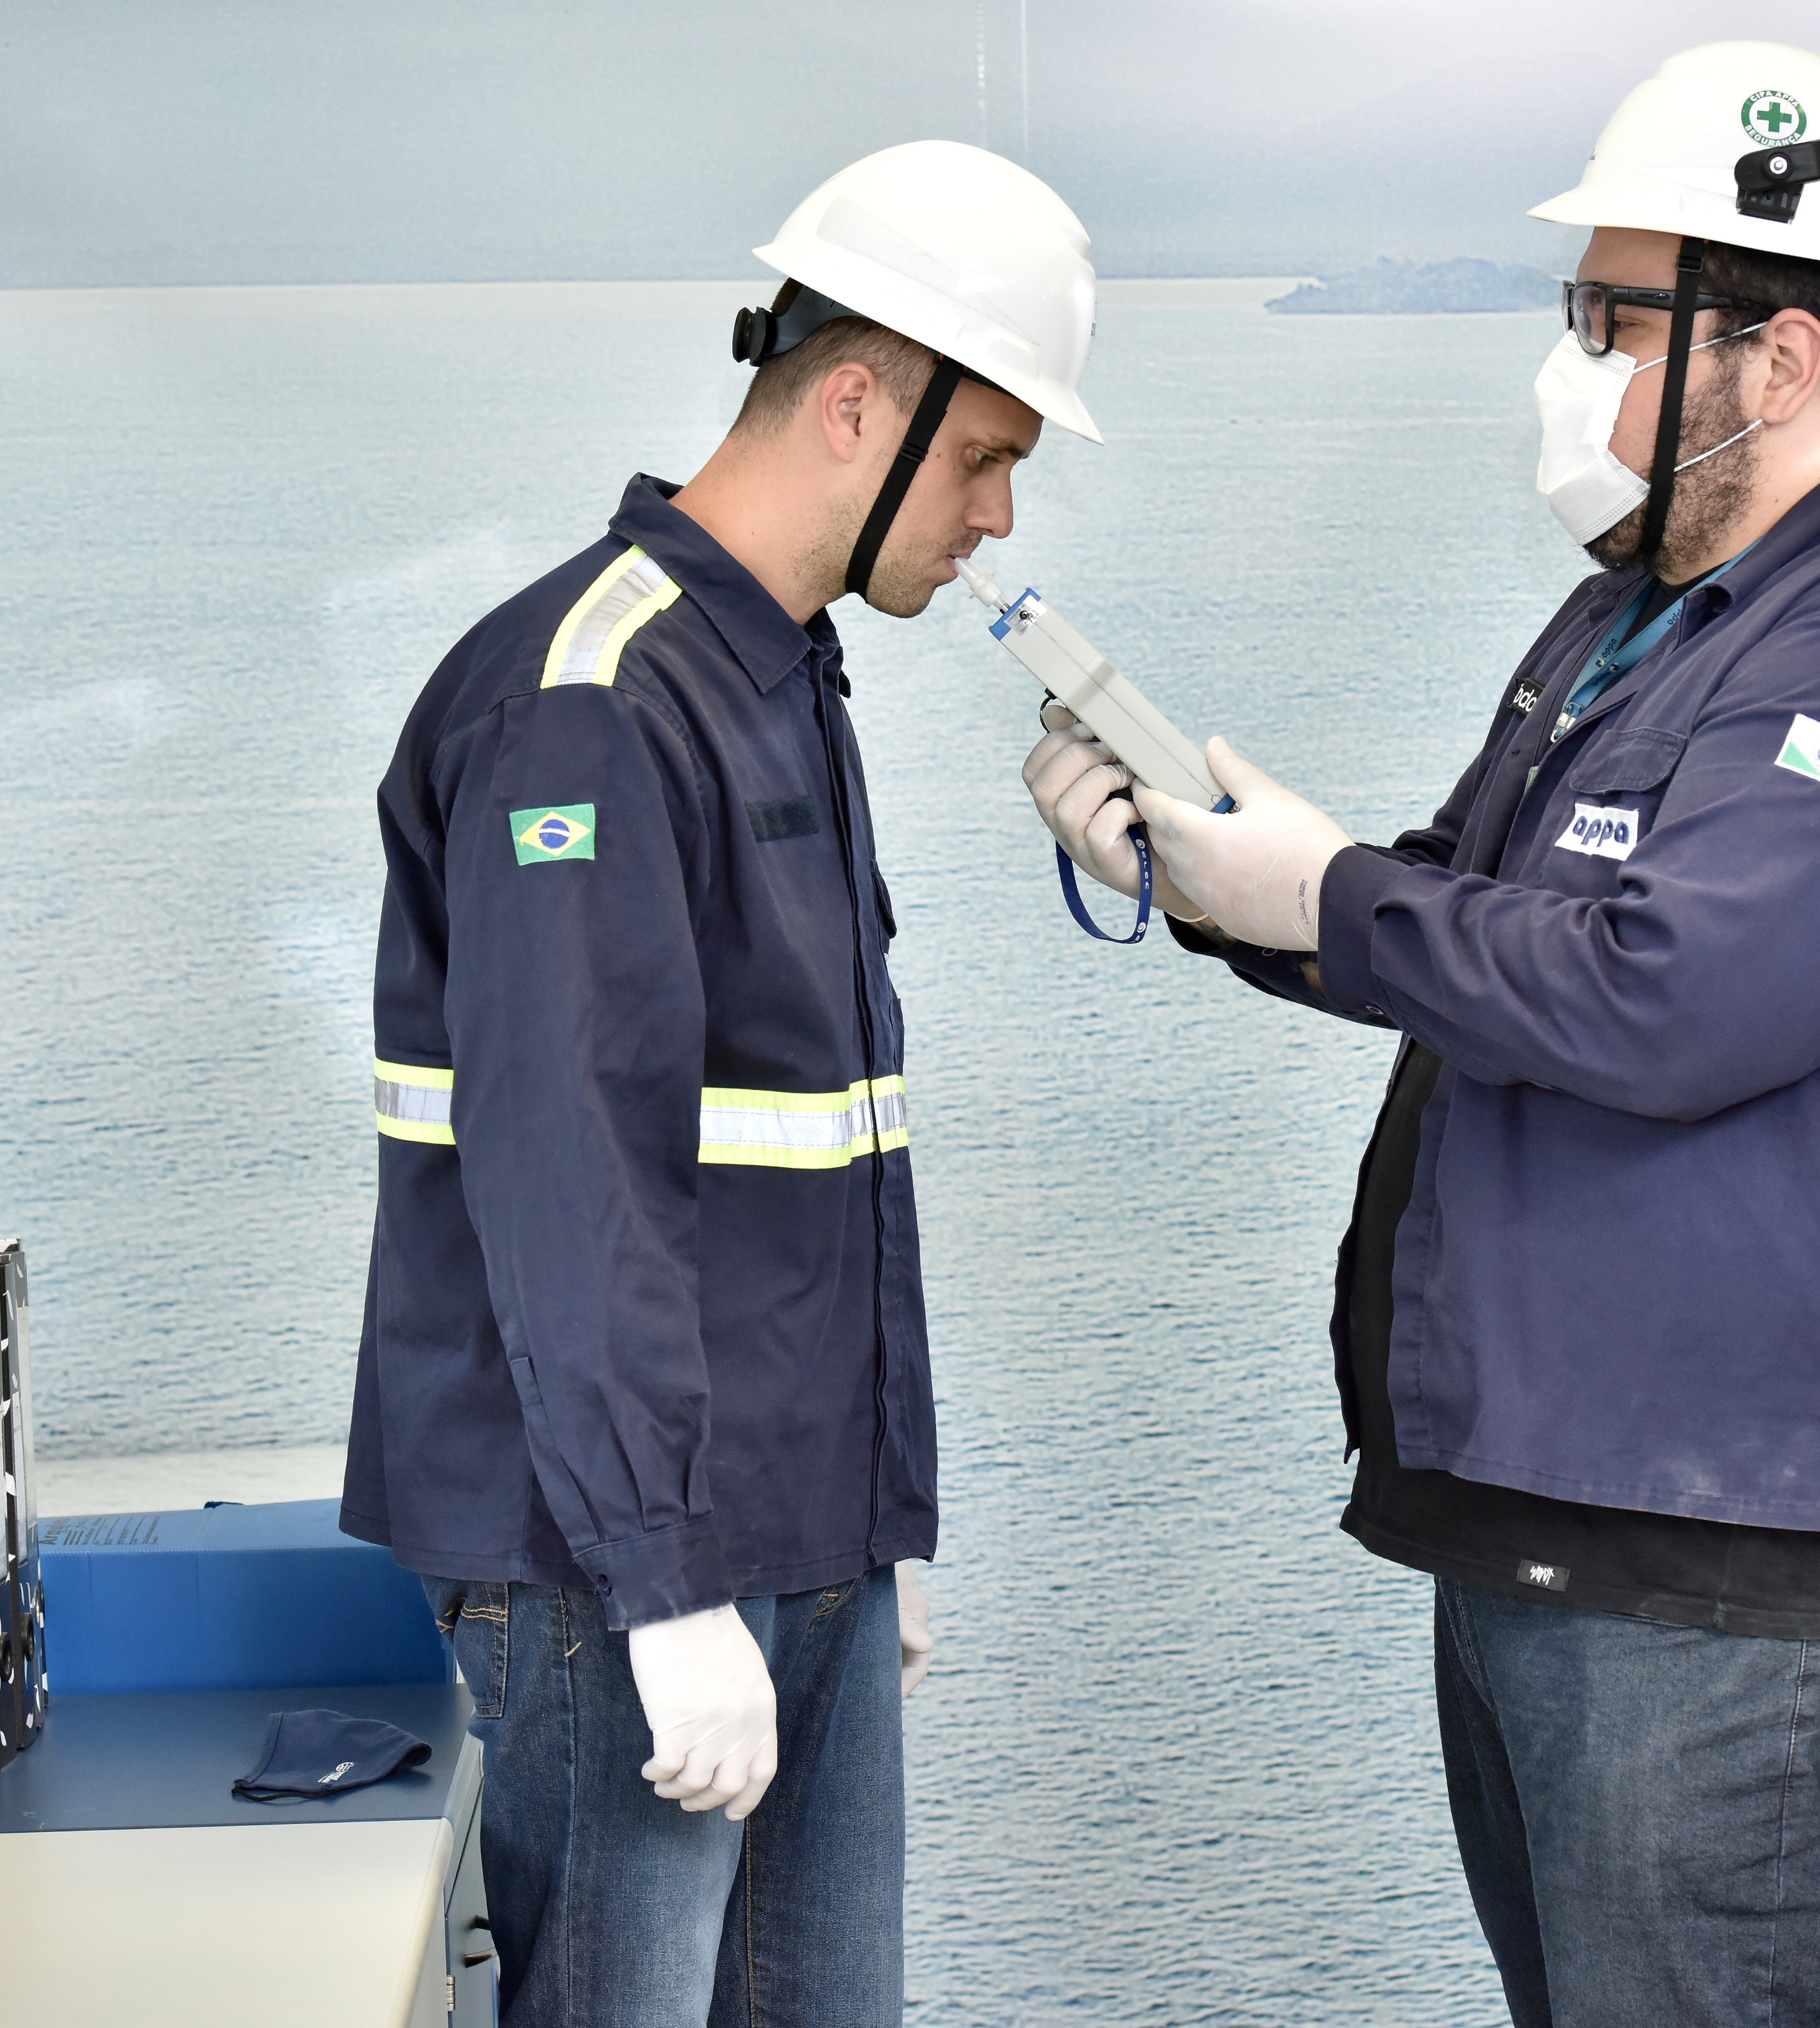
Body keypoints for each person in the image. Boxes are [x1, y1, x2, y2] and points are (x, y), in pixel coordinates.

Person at [1026, 42, 1820, 2027]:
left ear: (1775, 357)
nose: (1572, 368)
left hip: (1751, 1602)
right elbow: (1466, 921)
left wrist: (1327, 891)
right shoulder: (1643, 625)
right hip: (1571, 1555)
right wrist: (1217, 878)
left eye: (1611, 320)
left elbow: (1670, 998)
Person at [345, 139, 1103, 2026]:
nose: (1002, 517)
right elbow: (573, 1176)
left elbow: (807, 1159)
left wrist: (874, 1523)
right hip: (622, 1566)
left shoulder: (775, 675)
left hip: (793, 1529)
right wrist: (670, 1589)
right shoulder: (591, 702)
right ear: (857, 402)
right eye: (986, 456)